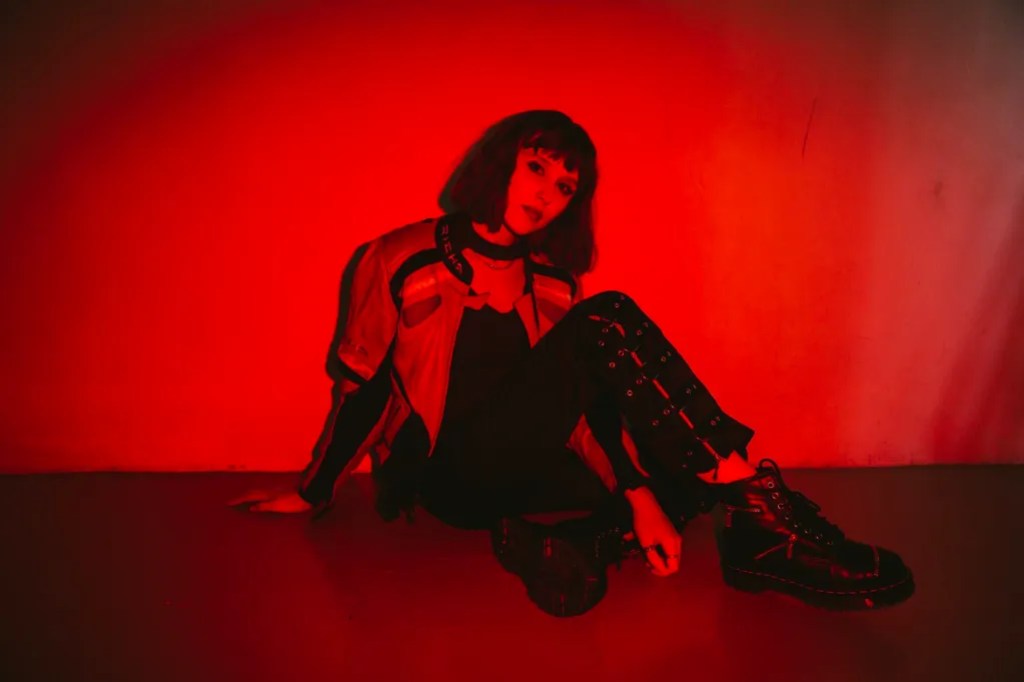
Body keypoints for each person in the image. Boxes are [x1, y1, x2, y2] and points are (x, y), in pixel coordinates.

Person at [233, 110, 914, 616]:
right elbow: (364, 384)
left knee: (677, 469)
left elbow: (589, 404)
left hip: (528, 467)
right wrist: (315, 490)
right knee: (610, 317)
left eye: (565, 187)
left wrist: (639, 494)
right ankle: (756, 509)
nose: (546, 195)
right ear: (499, 160)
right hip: (453, 476)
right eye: (537, 168)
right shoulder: (398, 257)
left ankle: (587, 545)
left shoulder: (555, 283)